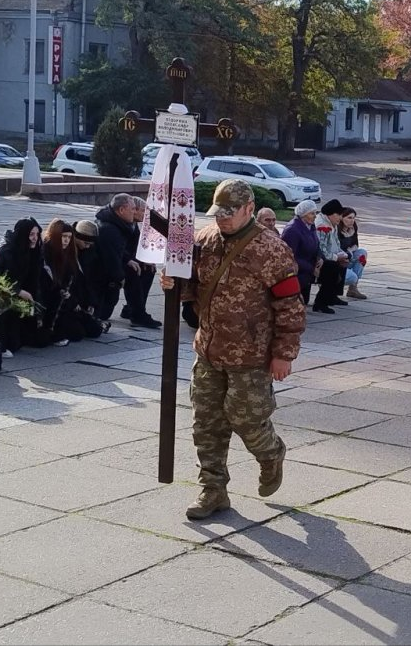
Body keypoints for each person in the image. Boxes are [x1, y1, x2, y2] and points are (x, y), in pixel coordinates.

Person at [161, 179, 306, 520]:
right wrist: (172, 282)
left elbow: (290, 304)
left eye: (230, 214)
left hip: (251, 354)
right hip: (209, 350)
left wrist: (284, 353)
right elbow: (190, 287)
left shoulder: (270, 249)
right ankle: (213, 490)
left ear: (248, 209)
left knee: (247, 419)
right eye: (218, 213)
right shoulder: (205, 239)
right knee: (206, 422)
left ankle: (271, 453)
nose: (222, 220)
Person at [0, 217, 44, 356]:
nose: (34, 238)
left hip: (19, 299)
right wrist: (18, 291)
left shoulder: (34, 252)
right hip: (0, 297)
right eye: (31, 234)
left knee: (19, 343)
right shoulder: (5, 252)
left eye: (37, 234)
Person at [38, 219, 83, 346]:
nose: (66, 240)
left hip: (63, 300)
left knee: (79, 333)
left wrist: (71, 297)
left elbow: (74, 280)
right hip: (47, 299)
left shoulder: (69, 254)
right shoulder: (45, 253)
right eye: (63, 236)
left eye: (69, 237)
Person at [94, 193, 137, 322]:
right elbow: (111, 257)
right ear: (121, 210)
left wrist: (127, 260)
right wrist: (120, 278)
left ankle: (136, 310)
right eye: (132, 209)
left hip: (108, 274)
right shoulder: (109, 229)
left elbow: (118, 250)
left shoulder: (116, 224)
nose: (134, 213)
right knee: (101, 315)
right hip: (102, 279)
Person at [121, 197, 161, 329]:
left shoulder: (132, 224)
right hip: (116, 262)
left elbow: (136, 247)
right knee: (133, 270)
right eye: (143, 211)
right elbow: (117, 250)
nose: (146, 215)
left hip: (126, 259)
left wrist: (144, 259)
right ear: (135, 211)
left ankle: (134, 307)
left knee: (148, 268)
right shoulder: (117, 225)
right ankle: (137, 314)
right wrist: (131, 260)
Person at [72, 220, 110, 336]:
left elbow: (91, 280)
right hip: (71, 297)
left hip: (83, 297)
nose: (87, 246)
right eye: (86, 243)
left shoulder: (89, 252)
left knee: (93, 330)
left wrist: (91, 303)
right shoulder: (70, 250)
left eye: (90, 244)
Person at [281, 200, 322, 308]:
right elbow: (290, 256)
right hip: (298, 273)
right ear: (303, 214)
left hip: (307, 273)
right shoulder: (293, 230)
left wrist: (319, 257)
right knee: (297, 304)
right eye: (312, 213)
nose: (315, 216)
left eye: (316, 213)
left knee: (304, 301)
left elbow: (316, 244)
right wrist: (311, 268)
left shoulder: (310, 227)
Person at [313, 199, 349, 314]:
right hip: (319, 259)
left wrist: (342, 255)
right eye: (338, 215)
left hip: (331, 256)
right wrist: (336, 257)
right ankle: (320, 303)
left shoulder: (332, 224)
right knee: (332, 268)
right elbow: (322, 249)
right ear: (330, 214)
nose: (340, 218)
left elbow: (336, 244)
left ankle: (333, 295)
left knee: (344, 261)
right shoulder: (321, 226)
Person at [338, 207, 368, 300]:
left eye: (353, 218)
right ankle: (334, 289)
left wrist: (350, 253)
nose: (352, 221)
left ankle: (353, 288)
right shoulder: (337, 229)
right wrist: (347, 253)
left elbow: (355, 245)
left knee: (362, 253)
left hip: (349, 254)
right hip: (340, 259)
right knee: (351, 276)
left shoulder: (353, 227)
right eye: (349, 218)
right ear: (342, 218)